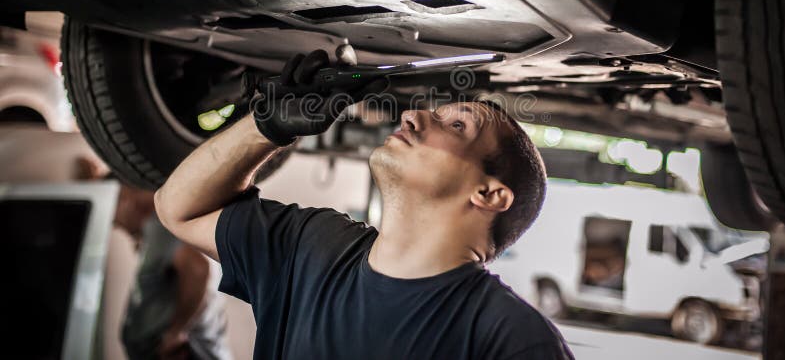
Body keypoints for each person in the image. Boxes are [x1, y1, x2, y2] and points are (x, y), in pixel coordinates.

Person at [155, 47, 574, 359]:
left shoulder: (511, 340)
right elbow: (178, 209)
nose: (413, 117)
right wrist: (269, 124)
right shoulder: (314, 246)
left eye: (457, 125)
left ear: (489, 194)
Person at [114, 184, 232, 360]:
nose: (117, 226)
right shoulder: (163, 225)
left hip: (187, 353)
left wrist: (176, 331)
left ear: (126, 198)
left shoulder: (163, 225)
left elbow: (198, 269)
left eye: (114, 219)